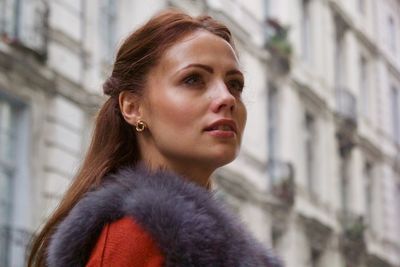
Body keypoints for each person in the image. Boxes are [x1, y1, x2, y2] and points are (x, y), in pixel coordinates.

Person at [28, 9, 282, 267]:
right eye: (193, 79)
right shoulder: (132, 239)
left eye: (235, 84)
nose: (227, 97)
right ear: (133, 108)